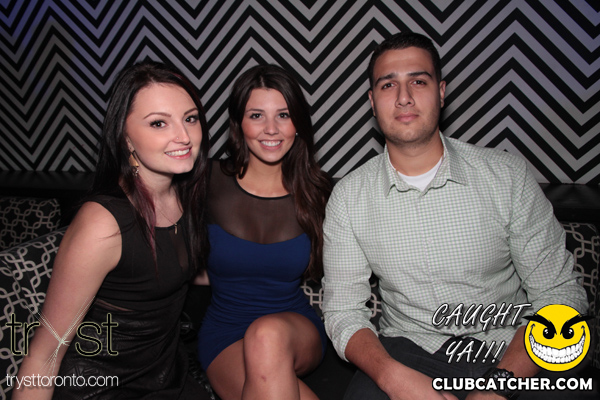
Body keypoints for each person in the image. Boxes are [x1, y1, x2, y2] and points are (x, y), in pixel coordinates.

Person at [321, 32, 589, 400]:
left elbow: (559, 294)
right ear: (372, 101)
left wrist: (498, 387)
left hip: (512, 345)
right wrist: (392, 377)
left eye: (419, 81)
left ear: (441, 92)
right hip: (408, 349)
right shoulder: (349, 197)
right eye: (388, 84)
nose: (403, 97)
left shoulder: (507, 176)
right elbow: (342, 311)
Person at [14, 60, 212, 399]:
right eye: (159, 123)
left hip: (165, 376)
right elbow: (44, 354)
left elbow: (170, 271)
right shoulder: (103, 223)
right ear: (125, 137)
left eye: (190, 119)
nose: (184, 136)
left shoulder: (185, 193)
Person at [197, 64, 332, 400]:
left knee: (267, 334)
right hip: (225, 332)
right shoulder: (206, 182)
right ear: (239, 123)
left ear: (298, 123)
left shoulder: (319, 193)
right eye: (256, 115)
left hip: (294, 330)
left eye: (283, 115)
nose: (271, 129)